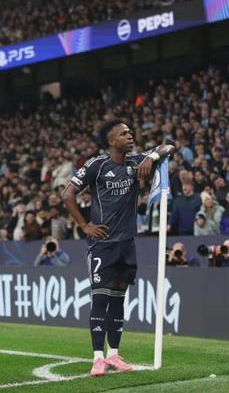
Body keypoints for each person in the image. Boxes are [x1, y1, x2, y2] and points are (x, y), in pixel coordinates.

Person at [62, 119, 174, 376]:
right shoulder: (97, 165)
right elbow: (67, 194)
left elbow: (169, 147)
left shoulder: (136, 161)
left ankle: (113, 355)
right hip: (102, 245)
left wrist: (152, 157)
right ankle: (97, 358)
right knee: (100, 299)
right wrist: (84, 225)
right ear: (111, 141)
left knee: (118, 300)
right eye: (124, 134)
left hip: (126, 244)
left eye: (130, 132)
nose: (130, 136)